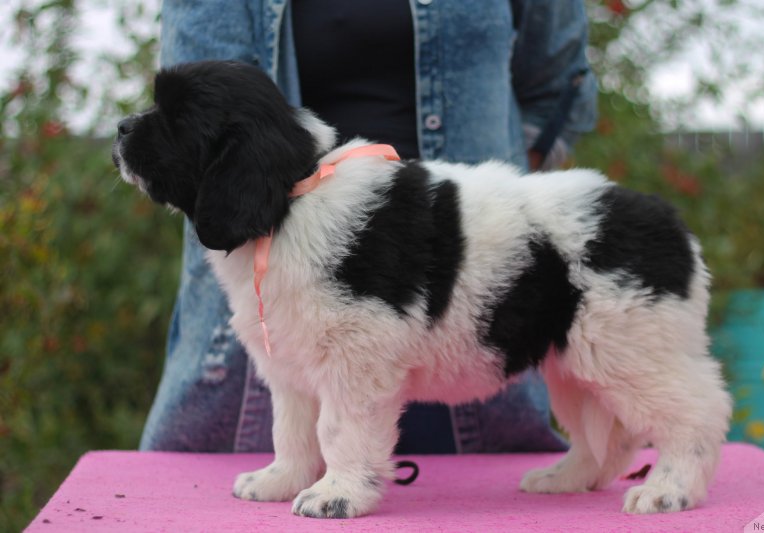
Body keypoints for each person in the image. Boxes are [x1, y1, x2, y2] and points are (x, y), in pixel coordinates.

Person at [140, 0, 597, 454]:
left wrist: (501, 207)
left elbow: (558, 83)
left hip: (473, 301)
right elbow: (191, 132)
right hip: (263, 304)